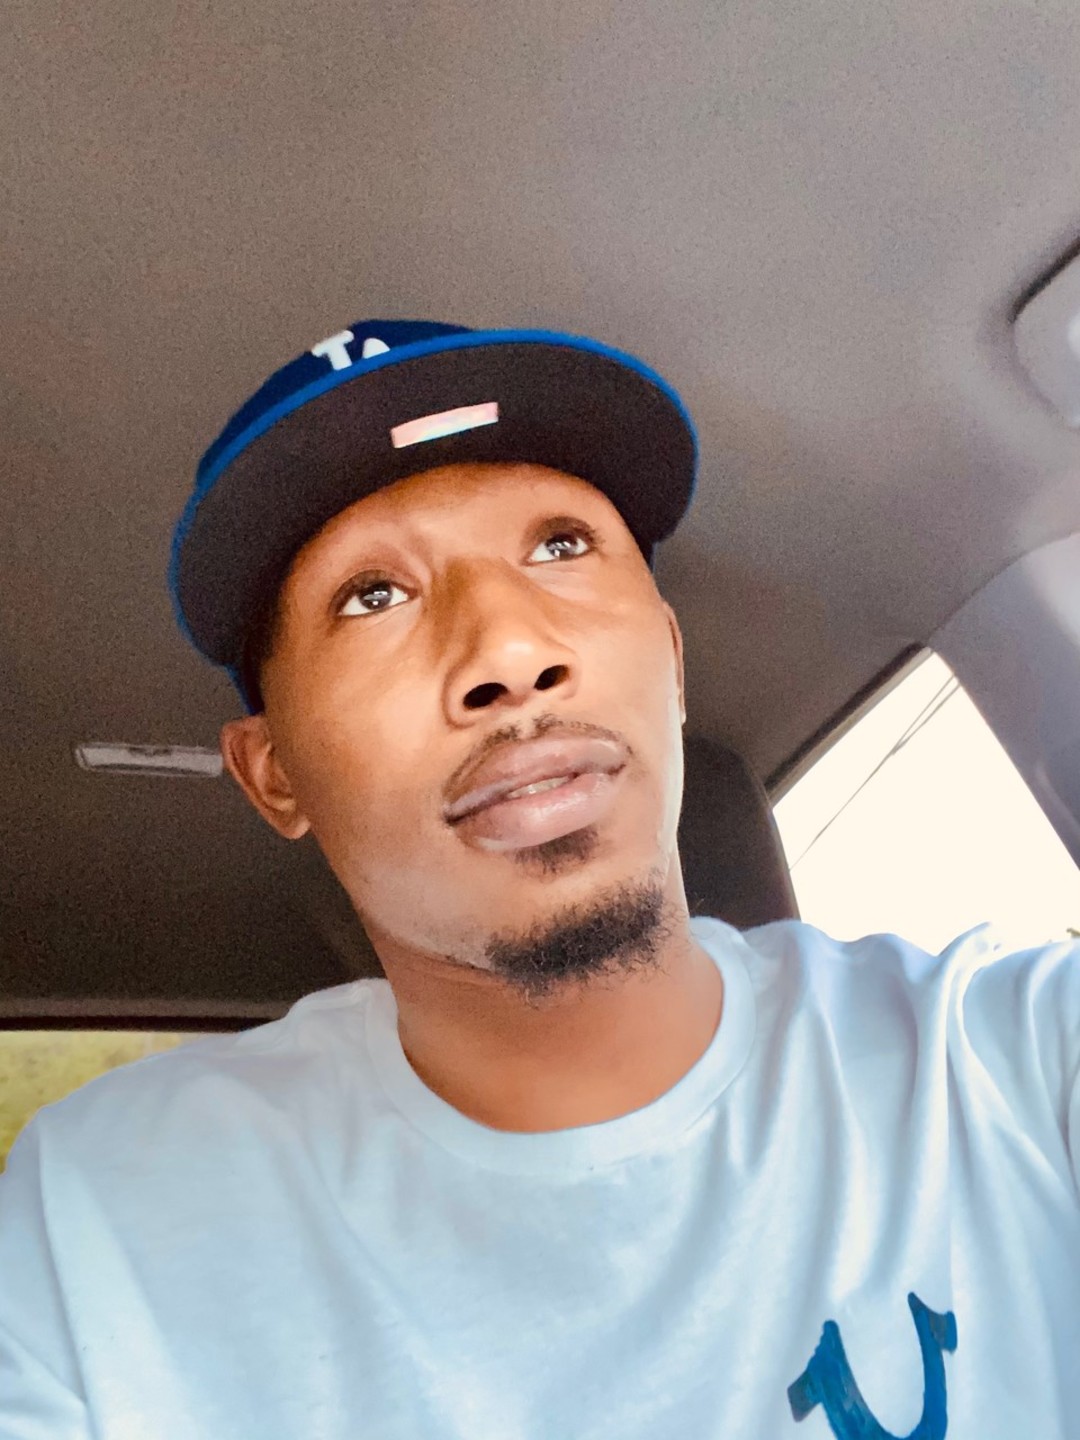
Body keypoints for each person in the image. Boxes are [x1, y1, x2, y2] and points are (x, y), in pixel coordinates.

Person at [2, 318, 1080, 1440]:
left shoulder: (1004, 1060)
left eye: (561, 546)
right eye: (372, 596)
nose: (510, 653)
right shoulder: (100, 1231)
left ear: (671, 662)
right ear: (275, 775)